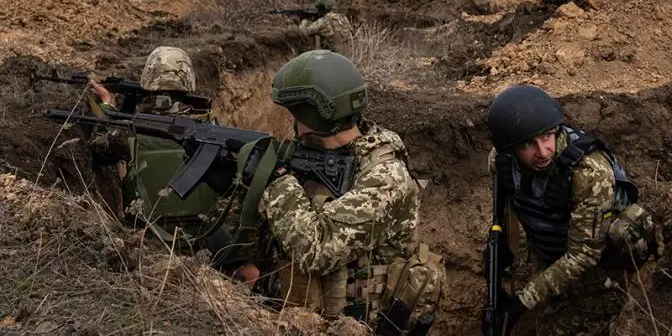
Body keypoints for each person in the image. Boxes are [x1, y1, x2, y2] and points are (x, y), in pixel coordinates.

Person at [242, 50, 445, 333]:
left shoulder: (386, 177)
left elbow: (316, 249)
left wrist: (275, 179)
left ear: (316, 114)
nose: (290, 119)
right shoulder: (312, 156)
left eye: (295, 111)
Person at [485, 84, 661, 335]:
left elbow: (586, 254)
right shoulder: (501, 161)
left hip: (601, 268)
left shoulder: (589, 171)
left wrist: (524, 300)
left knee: (551, 330)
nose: (543, 151)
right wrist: (501, 253)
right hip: (551, 250)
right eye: (528, 145)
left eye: (547, 137)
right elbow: (506, 212)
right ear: (511, 149)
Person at [88, 46, 259, 285]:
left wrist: (108, 106)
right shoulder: (211, 127)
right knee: (249, 274)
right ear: (188, 81)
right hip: (207, 236)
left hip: (151, 241)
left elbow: (97, 147)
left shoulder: (128, 133)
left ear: (148, 80)